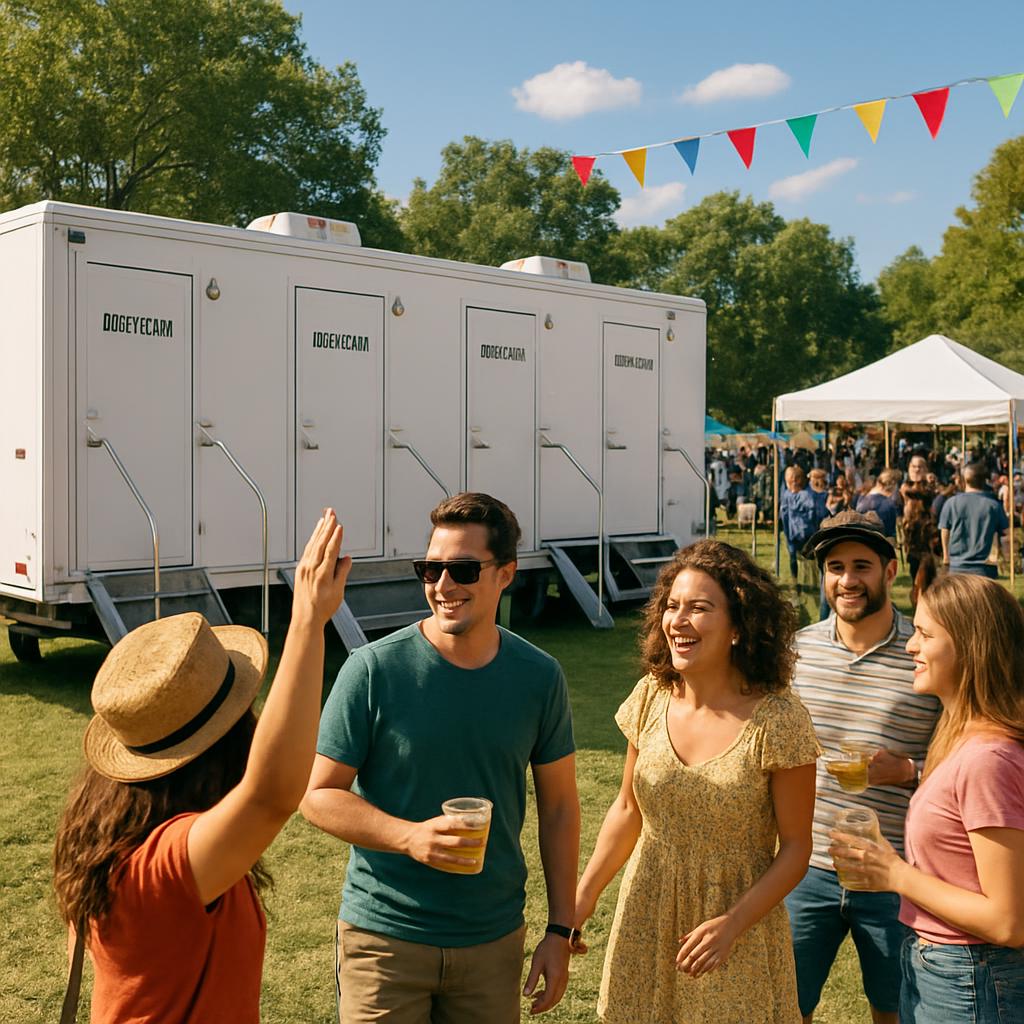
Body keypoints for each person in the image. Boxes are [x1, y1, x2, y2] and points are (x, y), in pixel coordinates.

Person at [52, 511, 352, 1023]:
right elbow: (270, 795)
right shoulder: (163, 867)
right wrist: (306, 622)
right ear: (224, 744)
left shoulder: (106, 835)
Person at [301, 492, 580, 1023]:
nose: (443, 586)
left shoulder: (539, 677)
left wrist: (560, 930)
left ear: (506, 574)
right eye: (430, 569)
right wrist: (409, 837)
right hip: (384, 941)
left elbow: (562, 808)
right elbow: (317, 796)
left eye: (463, 570)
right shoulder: (372, 670)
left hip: (493, 942)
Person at [572, 540, 819, 1024]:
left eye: (699, 608)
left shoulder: (780, 720)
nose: (678, 621)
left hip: (732, 929)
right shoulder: (650, 695)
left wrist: (733, 924)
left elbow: (795, 849)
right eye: (672, 606)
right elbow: (627, 810)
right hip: (646, 910)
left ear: (737, 627)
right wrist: (581, 900)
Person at [830, 573, 1024, 1023]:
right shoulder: (959, 737)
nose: (911, 647)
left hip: (972, 977)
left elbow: (1009, 920)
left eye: (925, 634)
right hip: (944, 967)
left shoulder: (988, 759)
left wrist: (894, 873)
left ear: (970, 647)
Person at [786, 510, 942, 1024]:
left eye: (861, 566)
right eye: (834, 567)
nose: (847, 580)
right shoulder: (797, 651)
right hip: (806, 866)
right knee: (785, 1005)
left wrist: (909, 773)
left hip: (896, 870)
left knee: (896, 1010)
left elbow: (963, 757)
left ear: (890, 570)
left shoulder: (923, 654)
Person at [939, 461, 1009, 578]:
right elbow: (1006, 534)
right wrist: (1007, 557)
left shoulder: (951, 503)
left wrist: (946, 557)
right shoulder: (994, 506)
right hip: (985, 568)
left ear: (964, 480)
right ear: (984, 480)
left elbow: (945, 531)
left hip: (957, 567)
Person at [779, 465, 820, 583]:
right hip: (793, 532)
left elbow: (812, 514)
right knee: (794, 557)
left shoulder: (806, 495)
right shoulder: (788, 494)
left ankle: (809, 578)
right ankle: (795, 579)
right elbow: (784, 514)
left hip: (804, 531)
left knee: (808, 558)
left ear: (796, 480)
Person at [855, 469, 901, 541]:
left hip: (861, 543)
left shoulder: (861, 499)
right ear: (893, 485)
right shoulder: (889, 505)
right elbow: (891, 534)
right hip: (880, 546)